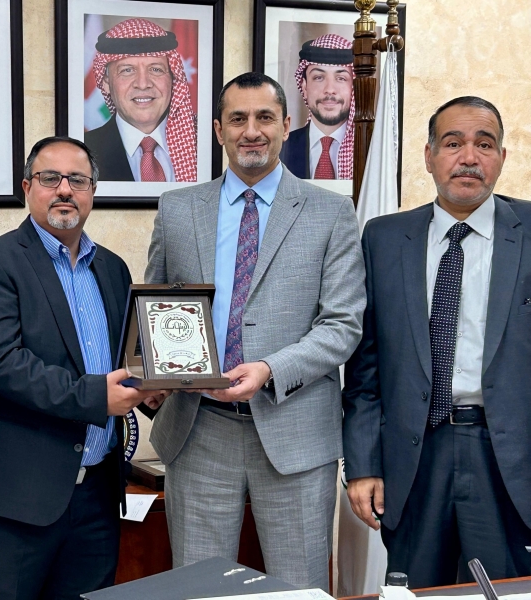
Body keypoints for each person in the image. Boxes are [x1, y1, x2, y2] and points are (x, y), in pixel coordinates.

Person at [145, 72, 365, 590]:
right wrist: (153, 371)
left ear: (286, 125)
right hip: (199, 430)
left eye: (264, 117)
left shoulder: (331, 211)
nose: (251, 131)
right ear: (218, 129)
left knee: (298, 588)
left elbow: (342, 324)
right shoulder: (177, 209)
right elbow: (154, 306)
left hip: (295, 432)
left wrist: (270, 368)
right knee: (200, 589)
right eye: (238, 118)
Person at [0, 136, 168, 599]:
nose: (65, 189)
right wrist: (98, 397)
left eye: (78, 180)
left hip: (96, 499)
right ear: (27, 187)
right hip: (12, 500)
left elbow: (120, 362)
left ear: (93, 192)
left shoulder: (113, 269)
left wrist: (146, 389)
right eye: (50, 178)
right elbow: (0, 364)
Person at [343, 96, 531, 587]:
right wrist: (362, 465)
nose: (469, 157)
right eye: (452, 143)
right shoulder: (384, 238)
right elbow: (365, 369)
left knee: (506, 592)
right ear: (428, 156)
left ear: (502, 158)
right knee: (417, 591)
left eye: (484, 144)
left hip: (508, 460)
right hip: (414, 457)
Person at [85, 18, 197, 183]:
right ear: (106, 83)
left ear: (173, 78)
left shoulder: (204, 144)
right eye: (127, 70)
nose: (143, 84)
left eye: (156, 69)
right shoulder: (83, 150)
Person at [280, 34, 354, 180]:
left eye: (341, 78)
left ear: (353, 88)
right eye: (318, 78)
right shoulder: (280, 148)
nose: (329, 89)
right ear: (304, 86)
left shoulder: (373, 150)